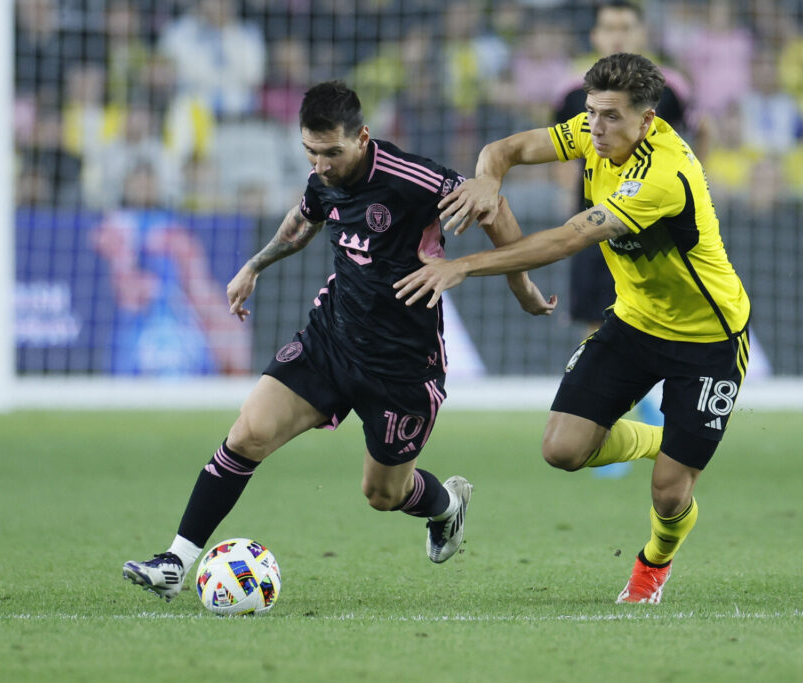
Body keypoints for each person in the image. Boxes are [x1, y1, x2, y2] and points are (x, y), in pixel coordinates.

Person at [122, 81, 555, 601]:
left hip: (402, 365)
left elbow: (496, 209)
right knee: (246, 435)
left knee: (383, 493)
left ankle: (446, 507)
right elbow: (302, 221)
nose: (322, 164)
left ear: (363, 137)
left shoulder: (413, 179)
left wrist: (521, 284)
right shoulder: (321, 178)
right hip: (331, 340)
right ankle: (176, 561)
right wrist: (254, 265)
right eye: (311, 151)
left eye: (332, 152)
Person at [395, 54, 751, 605]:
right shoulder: (589, 133)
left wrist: (462, 265)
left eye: (611, 116)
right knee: (561, 450)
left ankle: (652, 565)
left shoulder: (664, 176)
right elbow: (505, 149)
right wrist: (488, 180)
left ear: (648, 121)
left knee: (669, 492)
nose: (596, 127)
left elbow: (565, 239)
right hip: (634, 323)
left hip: (709, 339)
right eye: (591, 113)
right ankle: (671, 441)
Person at [553, 0, 695, 338]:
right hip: (597, 223)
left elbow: (697, 135)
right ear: (595, 36)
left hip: (656, 225)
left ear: (642, 33)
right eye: (610, 28)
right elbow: (559, 153)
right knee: (598, 326)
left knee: (664, 326)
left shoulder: (671, 88)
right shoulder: (573, 93)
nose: (618, 37)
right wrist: (570, 191)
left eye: (626, 28)